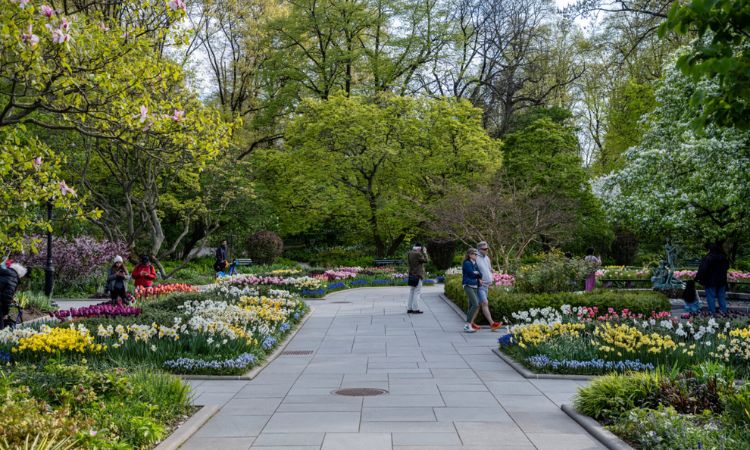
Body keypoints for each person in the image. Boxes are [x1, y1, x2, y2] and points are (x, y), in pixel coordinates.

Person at [475, 242, 502, 331]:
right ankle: (492, 324)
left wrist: (493, 276)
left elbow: (489, 269)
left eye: (487, 249)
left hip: (486, 285)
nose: (487, 250)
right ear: (479, 249)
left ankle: (470, 323)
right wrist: (478, 279)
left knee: (478, 305)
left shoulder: (487, 258)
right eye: (484, 249)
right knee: (484, 303)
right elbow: (472, 271)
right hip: (480, 285)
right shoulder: (476, 258)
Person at [696, 243, 730, 314]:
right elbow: (727, 267)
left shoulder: (708, 258)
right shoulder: (723, 258)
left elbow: (702, 269)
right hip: (722, 281)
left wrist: (697, 278)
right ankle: (723, 312)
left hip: (710, 281)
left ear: (710, 249)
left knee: (711, 297)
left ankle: (712, 312)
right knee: (721, 297)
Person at [0, 260, 27, 328]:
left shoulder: (3, 272)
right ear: (20, 274)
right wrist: (5, 313)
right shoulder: (13, 278)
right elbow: (7, 298)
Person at [462, 248, 482, 333]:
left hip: (474, 285)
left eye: (477, 254)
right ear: (470, 255)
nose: (476, 255)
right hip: (468, 285)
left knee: (471, 305)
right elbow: (471, 274)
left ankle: (468, 325)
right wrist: (476, 273)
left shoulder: (475, 263)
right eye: (475, 254)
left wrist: (477, 273)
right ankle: (468, 324)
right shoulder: (467, 263)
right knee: (475, 304)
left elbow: (480, 274)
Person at [406, 242, 428, 314]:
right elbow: (426, 260)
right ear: (419, 248)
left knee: (411, 291)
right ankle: (415, 309)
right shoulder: (418, 254)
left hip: (411, 274)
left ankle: (409, 308)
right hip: (418, 275)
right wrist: (425, 252)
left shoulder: (409, 253)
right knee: (417, 292)